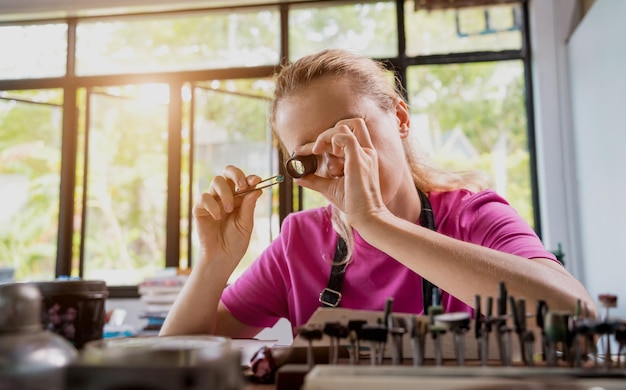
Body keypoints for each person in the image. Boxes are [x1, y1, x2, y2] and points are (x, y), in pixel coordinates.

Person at [160, 48, 597, 340]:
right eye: (311, 156)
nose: (334, 162)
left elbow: (575, 314)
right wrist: (214, 262)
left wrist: (376, 223)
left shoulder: (471, 215)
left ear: (401, 119)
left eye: (347, 133)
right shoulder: (300, 242)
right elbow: (180, 356)